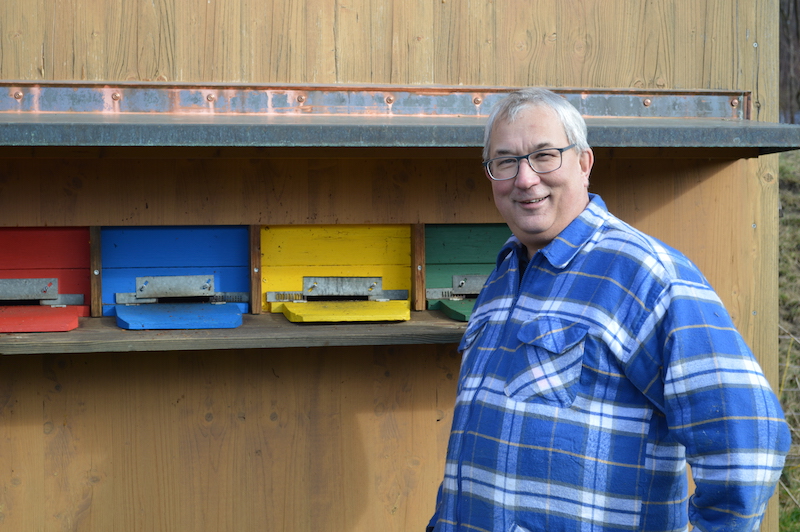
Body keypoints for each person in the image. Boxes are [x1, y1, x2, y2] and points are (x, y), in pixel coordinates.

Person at [427, 87, 791, 532]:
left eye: (544, 156)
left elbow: (748, 442)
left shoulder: (645, 274)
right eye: (505, 161)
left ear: (584, 163)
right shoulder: (506, 273)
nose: (525, 178)